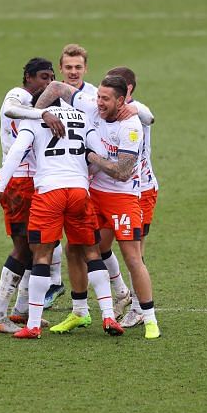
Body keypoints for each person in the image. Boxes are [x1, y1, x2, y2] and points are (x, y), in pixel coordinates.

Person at [31, 75, 160, 339]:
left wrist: (89, 155)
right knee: (75, 249)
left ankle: (149, 318)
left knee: (133, 257)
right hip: (93, 195)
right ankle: (80, 312)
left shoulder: (131, 127)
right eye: (98, 96)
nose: (98, 103)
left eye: (105, 99)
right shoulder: (92, 104)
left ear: (121, 100)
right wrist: (38, 116)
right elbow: (55, 88)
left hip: (122, 199)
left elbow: (123, 171)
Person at [0, 104, 123, 338]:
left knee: (42, 254)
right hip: (79, 190)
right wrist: (85, 172)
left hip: (49, 191)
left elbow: (16, 152)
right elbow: (101, 153)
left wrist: (0, 188)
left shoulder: (33, 119)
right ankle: (109, 316)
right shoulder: (81, 116)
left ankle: (32, 325)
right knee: (92, 252)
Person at [0, 58, 56, 334]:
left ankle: (22, 310)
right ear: (27, 77)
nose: (48, 83)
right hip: (19, 181)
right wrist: (42, 115)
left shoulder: (42, 104)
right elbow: (11, 110)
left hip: (33, 181)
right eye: (42, 77)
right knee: (25, 247)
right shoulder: (19, 96)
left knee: (38, 245)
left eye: (51, 77)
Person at [41, 43, 100, 309]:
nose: (74, 72)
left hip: (90, 182)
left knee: (95, 245)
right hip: (58, 179)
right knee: (59, 242)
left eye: (78, 67)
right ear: (60, 69)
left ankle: (121, 293)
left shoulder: (96, 97)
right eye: (68, 67)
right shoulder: (48, 98)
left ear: (86, 68)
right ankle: (58, 287)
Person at [104, 67, 161, 330]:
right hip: (110, 190)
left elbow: (151, 117)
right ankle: (121, 290)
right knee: (98, 246)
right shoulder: (105, 109)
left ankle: (139, 308)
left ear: (128, 90)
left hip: (142, 189)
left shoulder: (136, 109)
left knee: (135, 252)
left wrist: (136, 109)